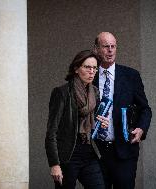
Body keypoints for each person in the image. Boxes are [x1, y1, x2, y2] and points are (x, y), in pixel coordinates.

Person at [93, 32, 152, 189]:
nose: (110, 50)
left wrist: (141, 129)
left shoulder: (130, 76)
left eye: (113, 46)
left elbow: (145, 109)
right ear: (96, 49)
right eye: (106, 46)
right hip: (96, 152)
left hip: (124, 152)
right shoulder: (90, 76)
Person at [45, 50, 109, 189]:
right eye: (87, 67)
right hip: (68, 156)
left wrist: (102, 124)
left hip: (89, 152)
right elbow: (51, 132)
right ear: (76, 69)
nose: (92, 71)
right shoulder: (61, 93)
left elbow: (94, 123)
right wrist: (55, 164)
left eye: (94, 68)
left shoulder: (95, 92)